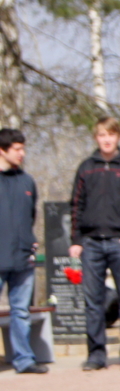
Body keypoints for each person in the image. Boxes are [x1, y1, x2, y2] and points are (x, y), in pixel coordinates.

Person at [69, 117, 120, 371]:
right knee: (93, 302)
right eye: (102, 135)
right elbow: (76, 206)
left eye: (111, 135)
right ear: (96, 138)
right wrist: (76, 240)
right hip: (91, 243)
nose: (106, 139)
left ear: (118, 138)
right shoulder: (85, 168)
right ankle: (96, 355)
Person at [0, 128, 45, 373]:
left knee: (20, 311)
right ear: (2, 150)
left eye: (23, 148)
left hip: (22, 258)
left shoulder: (27, 181)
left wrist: (30, 240)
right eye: (17, 149)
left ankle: (24, 359)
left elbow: (30, 215)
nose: (22, 153)